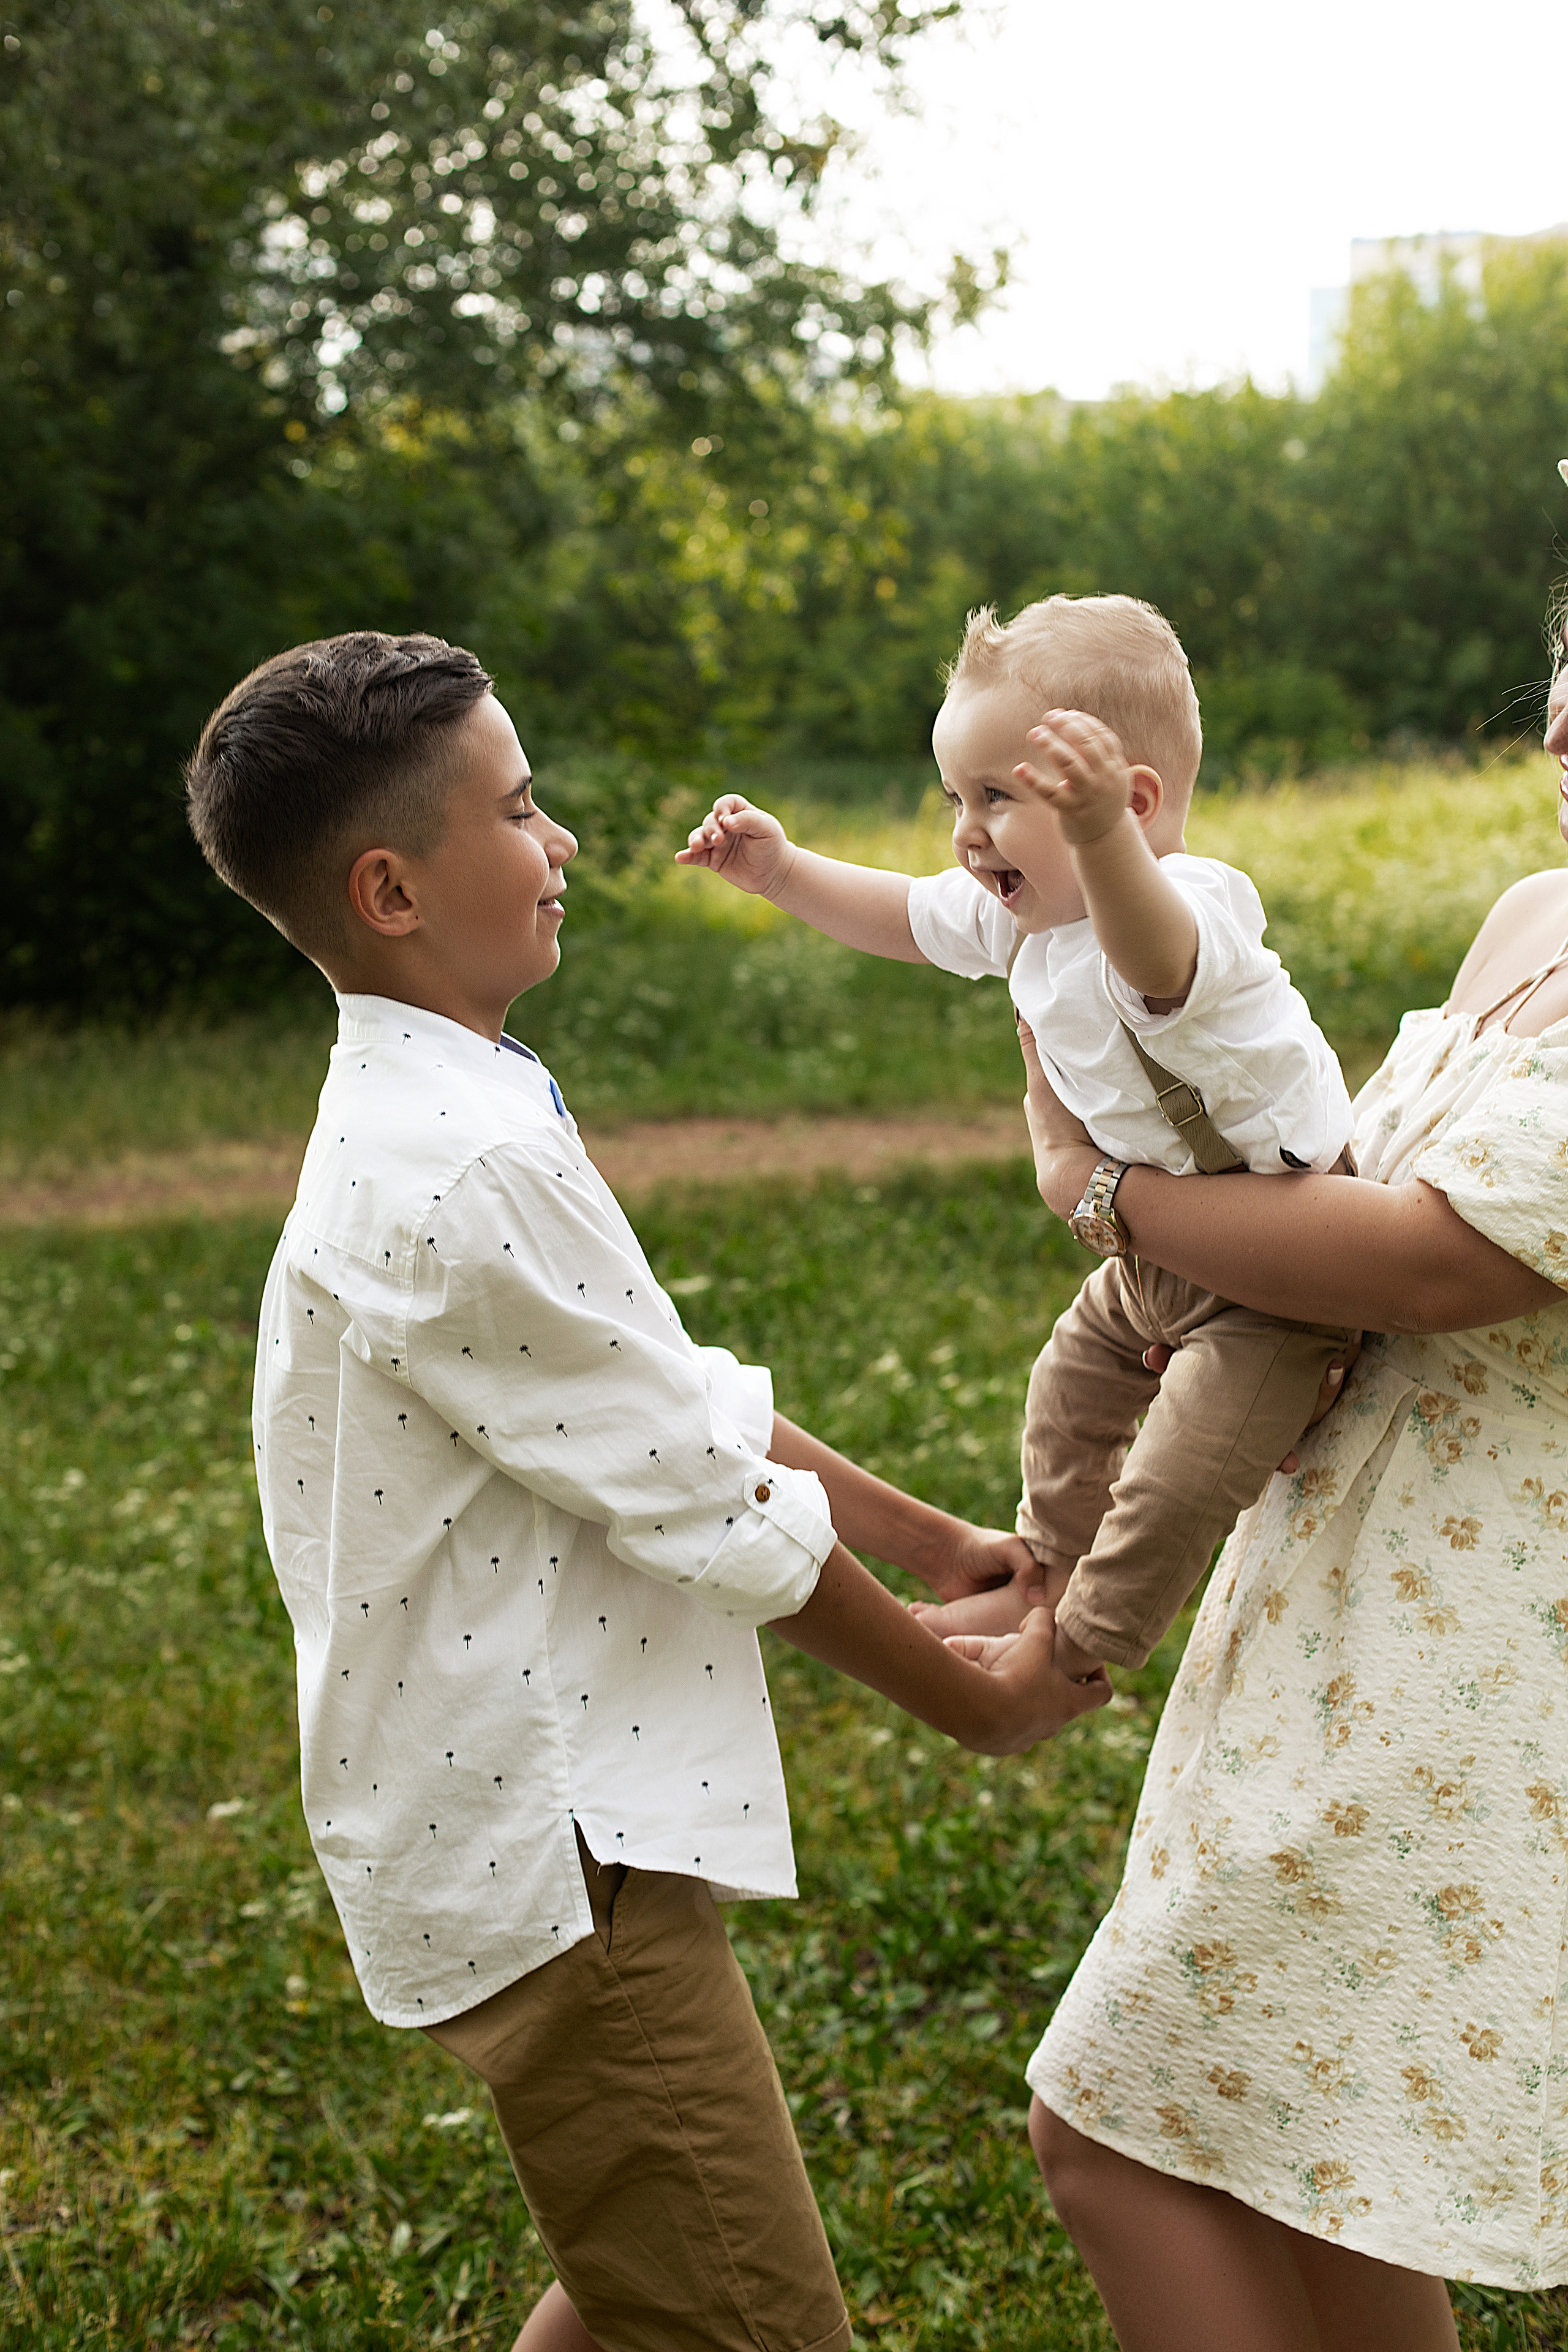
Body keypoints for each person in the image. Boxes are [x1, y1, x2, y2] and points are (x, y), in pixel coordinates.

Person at [183, 630, 1107, 2352]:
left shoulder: (457, 1100)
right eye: (524, 812)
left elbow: (664, 1405)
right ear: (390, 886)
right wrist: (966, 1701)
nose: (565, 847)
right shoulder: (454, 1166)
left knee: (641, 2294)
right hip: (555, 1853)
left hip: (558, 1822)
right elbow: (699, 1501)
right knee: (751, 2322)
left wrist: (942, 1545)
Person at [959, 568, 1568, 2349]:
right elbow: (1324, 1182)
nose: (1557, 724)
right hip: (1319, 1605)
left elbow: (1423, 1260)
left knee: (1115, 2133)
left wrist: (1105, 1193)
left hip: (1482, 1664)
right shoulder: (1533, 915)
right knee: (1311, 2154)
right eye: (1558, 673)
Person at [677, 593, 1357, 1684]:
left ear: (1130, 809)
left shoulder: (1191, 907)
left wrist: (1101, 847)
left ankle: (1079, 1649)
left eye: (999, 796)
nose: (966, 831)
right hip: (1159, 1256)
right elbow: (903, 912)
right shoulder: (1026, 913)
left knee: (1179, 1478)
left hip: (1284, 1276)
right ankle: (1044, 1566)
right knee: (1066, 1397)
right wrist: (784, 873)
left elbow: (1152, 963)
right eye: (956, 796)